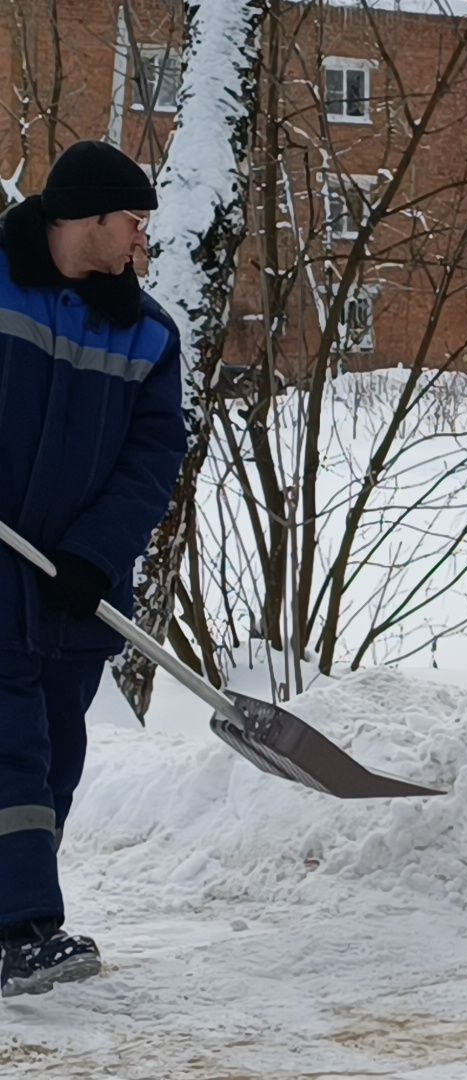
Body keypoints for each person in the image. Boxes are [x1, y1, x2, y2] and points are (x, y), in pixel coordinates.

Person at [0, 141, 187, 996]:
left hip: (74, 590)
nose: (140, 242)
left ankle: (17, 912)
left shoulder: (147, 332)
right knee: (13, 752)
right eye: (133, 223)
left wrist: (92, 554)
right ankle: (24, 928)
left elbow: (155, 458)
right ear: (88, 218)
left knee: (57, 759)